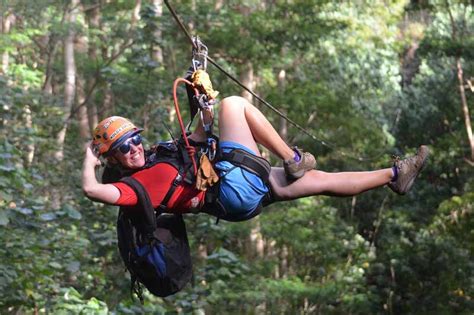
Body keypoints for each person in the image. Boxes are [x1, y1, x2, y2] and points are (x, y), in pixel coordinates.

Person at [82, 96, 429, 221]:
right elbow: (92, 191)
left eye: (135, 139)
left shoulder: (158, 154)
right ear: (112, 158)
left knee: (321, 181)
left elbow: (200, 137)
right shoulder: (134, 187)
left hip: (236, 196)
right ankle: (293, 157)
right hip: (230, 190)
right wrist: (89, 159)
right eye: (125, 147)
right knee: (236, 105)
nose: (136, 148)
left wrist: (203, 106)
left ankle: (394, 176)